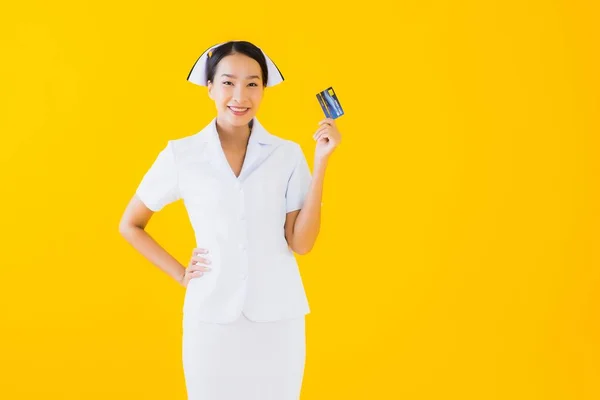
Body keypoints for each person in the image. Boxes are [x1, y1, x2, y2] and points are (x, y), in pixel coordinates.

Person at [118, 40, 342, 400]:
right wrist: (180, 274)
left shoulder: (287, 154)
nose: (240, 95)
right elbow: (130, 224)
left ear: (263, 90)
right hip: (210, 316)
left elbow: (301, 243)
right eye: (228, 82)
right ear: (209, 87)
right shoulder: (183, 154)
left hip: (277, 318)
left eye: (253, 83)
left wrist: (321, 164)